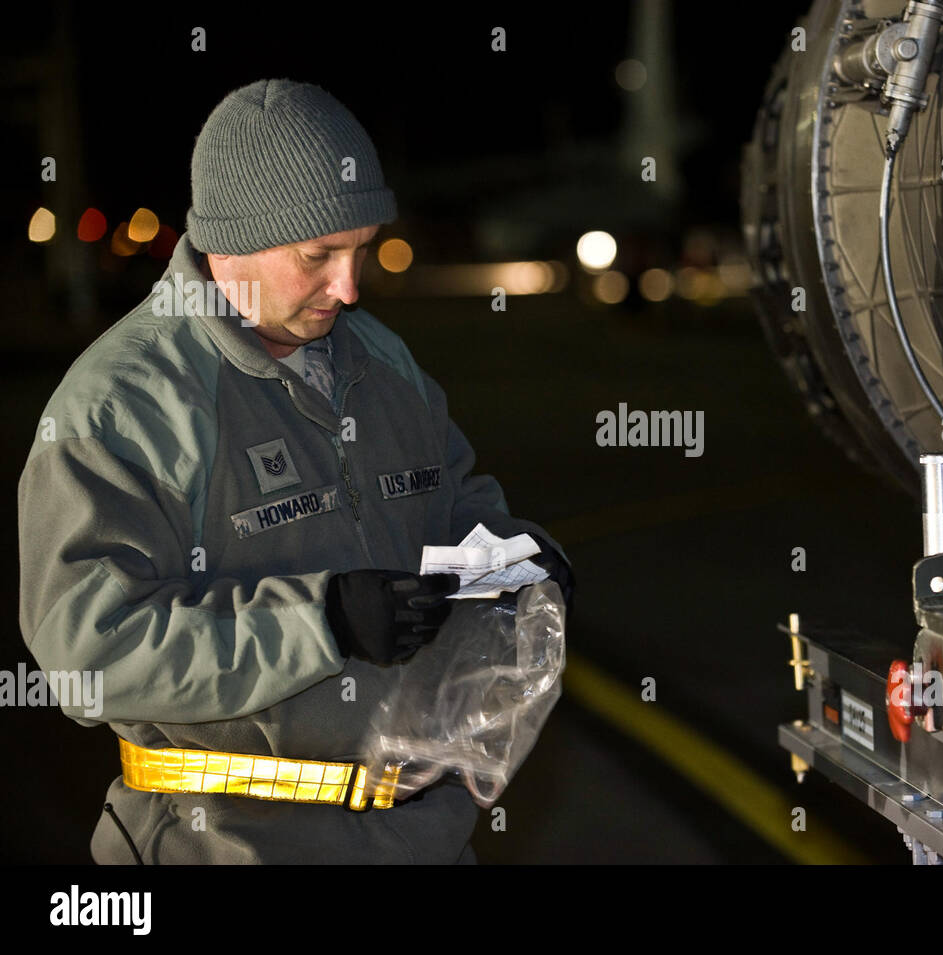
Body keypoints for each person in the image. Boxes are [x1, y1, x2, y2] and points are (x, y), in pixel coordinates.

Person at [17, 78, 573, 864]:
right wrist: (320, 621)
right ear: (230, 243)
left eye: (361, 250)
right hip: (230, 842)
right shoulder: (120, 408)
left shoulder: (383, 362)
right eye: (319, 256)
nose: (349, 289)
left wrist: (522, 554)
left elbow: (456, 503)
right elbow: (84, 656)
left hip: (423, 837)